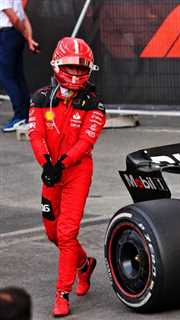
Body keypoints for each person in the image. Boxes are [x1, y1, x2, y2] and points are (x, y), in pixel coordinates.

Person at [28, 37, 105, 317]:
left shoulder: (95, 103)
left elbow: (87, 141)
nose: (74, 73)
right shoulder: (40, 98)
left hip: (77, 174)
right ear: (58, 66)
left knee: (66, 233)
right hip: (51, 173)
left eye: (80, 67)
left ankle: (62, 296)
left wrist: (62, 163)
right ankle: (85, 266)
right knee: (52, 234)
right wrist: (47, 164)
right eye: (70, 67)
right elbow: (35, 134)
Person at [0, 0, 39, 132]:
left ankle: (20, 116)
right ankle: (26, 114)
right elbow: (23, 18)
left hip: (7, 34)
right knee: (17, 75)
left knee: (7, 76)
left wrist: (26, 36)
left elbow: (14, 18)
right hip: (14, 34)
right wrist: (28, 38)